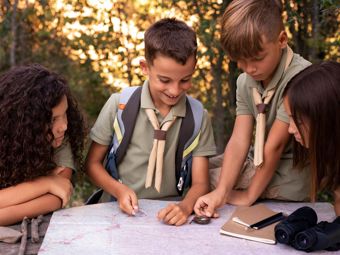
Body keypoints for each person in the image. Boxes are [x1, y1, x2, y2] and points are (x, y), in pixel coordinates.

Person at [86, 18, 216, 226]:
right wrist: (119, 190)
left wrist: (185, 206)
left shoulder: (198, 116)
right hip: (118, 212)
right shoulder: (119, 105)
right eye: (164, 80)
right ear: (145, 67)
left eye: (185, 80)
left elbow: (201, 183)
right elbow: (92, 165)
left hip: (172, 214)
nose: (174, 91)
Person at [194, 0, 311, 217]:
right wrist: (222, 191)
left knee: (198, 180)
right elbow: (239, 140)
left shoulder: (299, 78)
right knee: (196, 166)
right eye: (240, 61)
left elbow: (275, 146)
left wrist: (248, 195)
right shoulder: (245, 82)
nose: (249, 68)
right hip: (254, 159)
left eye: (257, 59)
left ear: (282, 40)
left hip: (286, 173)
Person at [0, 64, 86, 226]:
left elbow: (58, 197)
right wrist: (46, 183)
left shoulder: (61, 138)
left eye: (65, 114)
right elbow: (55, 188)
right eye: (53, 119)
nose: (64, 126)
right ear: (25, 124)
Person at [283, 61, 340, 216]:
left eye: (298, 120)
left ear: (327, 118)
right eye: (290, 119)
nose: (290, 129)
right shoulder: (332, 160)